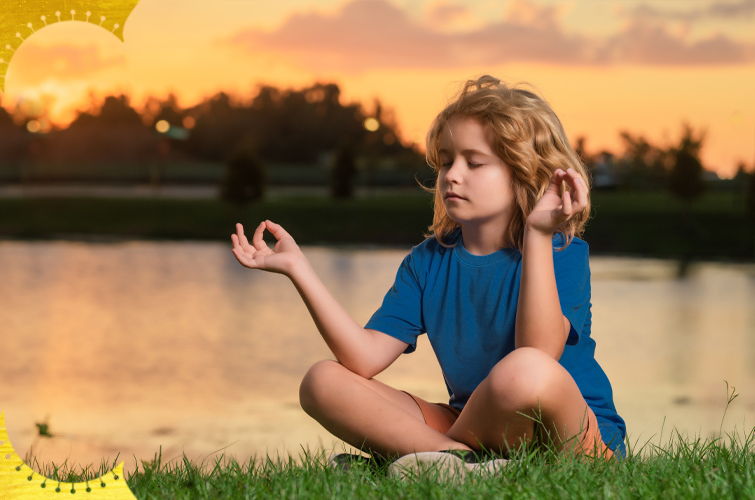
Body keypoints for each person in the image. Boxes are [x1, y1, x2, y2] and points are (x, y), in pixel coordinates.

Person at [229, 75, 626, 479]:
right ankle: (460, 462)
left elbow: (539, 357)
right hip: (474, 428)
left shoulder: (561, 251)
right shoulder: (427, 262)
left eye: (473, 162)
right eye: (445, 160)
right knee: (321, 381)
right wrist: (299, 270)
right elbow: (363, 359)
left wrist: (538, 235)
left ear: (522, 173)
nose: (452, 175)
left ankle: (425, 459)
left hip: (573, 436)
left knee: (524, 370)